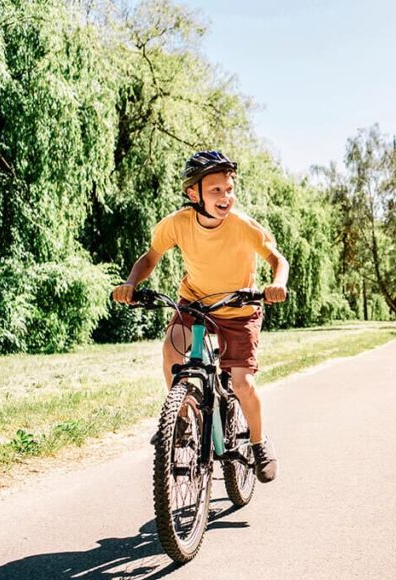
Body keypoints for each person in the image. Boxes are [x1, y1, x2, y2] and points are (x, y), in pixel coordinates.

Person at [112, 150, 289, 483]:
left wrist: (276, 284)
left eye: (229, 189)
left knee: (241, 383)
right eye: (216, 190)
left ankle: (259, 442)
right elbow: (150, 257)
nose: (226, 197)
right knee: (171, 350)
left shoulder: (242, 225)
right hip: (195, 302)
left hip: (240, 308)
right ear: (193, 194)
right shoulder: (177, 224)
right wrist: (131, 283)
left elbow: (279, 261)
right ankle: (178, 420)